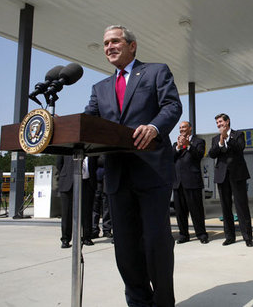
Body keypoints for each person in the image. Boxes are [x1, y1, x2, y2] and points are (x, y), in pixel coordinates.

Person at [84, 25, 182, 306]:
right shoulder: (99, 88)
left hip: (151, 172)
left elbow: (172, 106)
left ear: (132, 45)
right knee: (125, 249)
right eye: (105, 43)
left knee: (155, 243)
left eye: (115, 41)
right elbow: (88, 123)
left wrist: (154, 127)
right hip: (117, 176)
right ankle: (138, 302)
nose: (109, 47)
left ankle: (163, 302)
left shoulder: (155, 71)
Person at [208, 113, 253, 247]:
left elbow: (240, 148)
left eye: (220, 122)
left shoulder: (238, 134)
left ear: (227, 122)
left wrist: (227, 137)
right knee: (225, 207)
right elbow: (212, 154)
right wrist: (221, 142)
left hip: (237, 174)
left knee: (241, 206)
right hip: (222, 176)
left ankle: (247, 237)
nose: (218, 125)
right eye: (217, 123)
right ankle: (230, 236)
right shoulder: (215, 138)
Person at [173, 121, 209, 244]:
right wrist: (178, 147)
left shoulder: (199, 142)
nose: (181, 129)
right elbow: (170, 159)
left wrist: (188, 145)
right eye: (180, 128)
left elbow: (199, 155)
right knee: (180, 212)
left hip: (192, 182)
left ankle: (201, 234)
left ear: (190, 129)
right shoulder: (175, 144)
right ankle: (183, 235)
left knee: (196, 210)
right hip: (178, 184)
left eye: (184, 127)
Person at [56, 155, 97, 248]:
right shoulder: (67, 144)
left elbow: (96, 162)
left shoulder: (90, 146)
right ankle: (65, 239)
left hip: (87, 182)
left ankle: (86, 237)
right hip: (68, 181)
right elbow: (59, 163)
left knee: (87, 211)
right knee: (67, 213)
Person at [92, 155, 112, 240]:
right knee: (95, 206)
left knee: (106, 205)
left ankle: (106, 229)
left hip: (107, 179)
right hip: (96, 180)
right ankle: (94, 229)